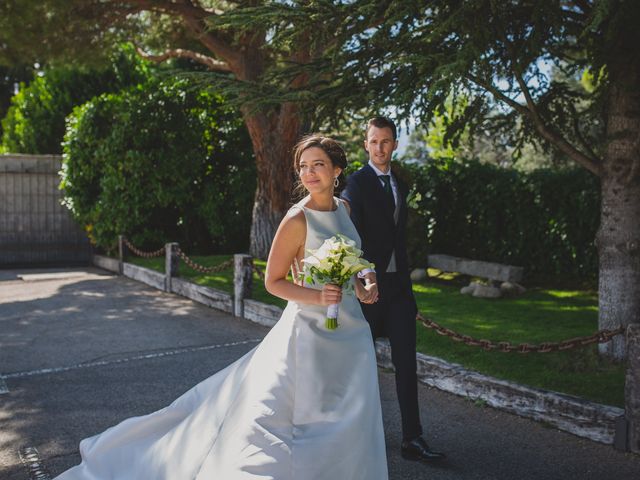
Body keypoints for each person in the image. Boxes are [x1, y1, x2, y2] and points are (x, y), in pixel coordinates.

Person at [53, 134, 388, 480]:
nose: (309, 173)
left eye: (318, 165)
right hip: (308, 334)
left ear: (337, 170)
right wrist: (318, 297)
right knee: (297, 420)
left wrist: (366, 283)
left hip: (351, 331)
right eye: (303, 167)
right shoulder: (297, 219)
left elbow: (354, 260)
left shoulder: (345, 209)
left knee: (351, 411)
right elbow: (274, 282)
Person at [341, 116, 446, 463]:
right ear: (366, 144)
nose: (380, 147)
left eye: (386, 141)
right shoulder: (355, 184)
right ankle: (356, 436)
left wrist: (409, 288)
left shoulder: (401, 181)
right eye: (374, 141)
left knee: (406, 365)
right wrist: (361, 279)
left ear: (395, 144)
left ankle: (412, 439)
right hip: (369, 290)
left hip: (400, 291)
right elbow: (350, 238)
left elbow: (398, 236)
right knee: (361, 367)